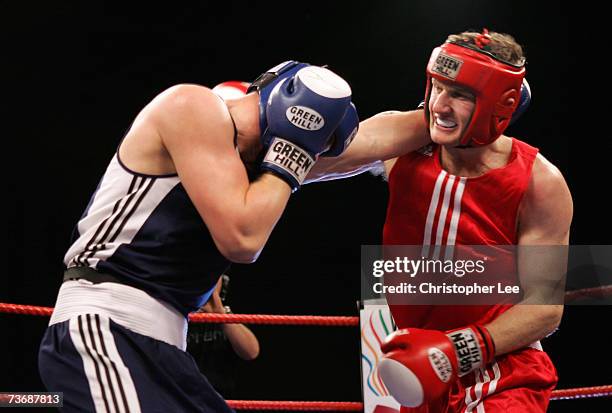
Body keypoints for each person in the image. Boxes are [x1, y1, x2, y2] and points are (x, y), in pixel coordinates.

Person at [38, 61, 359, 412]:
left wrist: (430, 103)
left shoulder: (244, 171)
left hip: (168, 347)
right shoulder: (192, 105)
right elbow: (244, 240)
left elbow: (373, 141)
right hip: (108, 324)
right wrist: (292, 155)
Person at [310, 29, 572, 412]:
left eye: (461, 95)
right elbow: (317, 166)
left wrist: (460, 349)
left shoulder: (539, 181)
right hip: (412, 370)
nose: (439, 105)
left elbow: (544, 308)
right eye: (437, 87)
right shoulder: (404, 143)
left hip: (500, 371)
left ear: (501, 104)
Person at [187, 274, 260, 398]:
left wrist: (220, 315)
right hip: (181, 397)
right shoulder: (176, 313)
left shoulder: (229, 314)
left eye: (213, 278)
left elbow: (251, 352)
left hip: (220, 398)